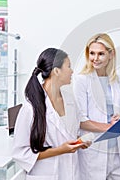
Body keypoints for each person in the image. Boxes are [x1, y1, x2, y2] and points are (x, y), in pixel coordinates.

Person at [12, 48, 90, 180]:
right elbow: (21, 153)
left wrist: (80, 142)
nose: (72, 71)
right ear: (57, 71)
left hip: (72, 172)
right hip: (46, 175)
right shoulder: (30, 109)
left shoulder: (70, 100)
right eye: (69, 66)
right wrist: (60, 150)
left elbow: (70, 132)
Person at [73, 33, 120, 180]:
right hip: (94, 149)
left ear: (111, 54)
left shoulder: (117, 80)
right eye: (92, 53)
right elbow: (80, 120)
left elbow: (118, 114)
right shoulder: (81, 80)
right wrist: (110, 127)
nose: (95, 58)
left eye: (101, 54)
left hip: (116, 149)